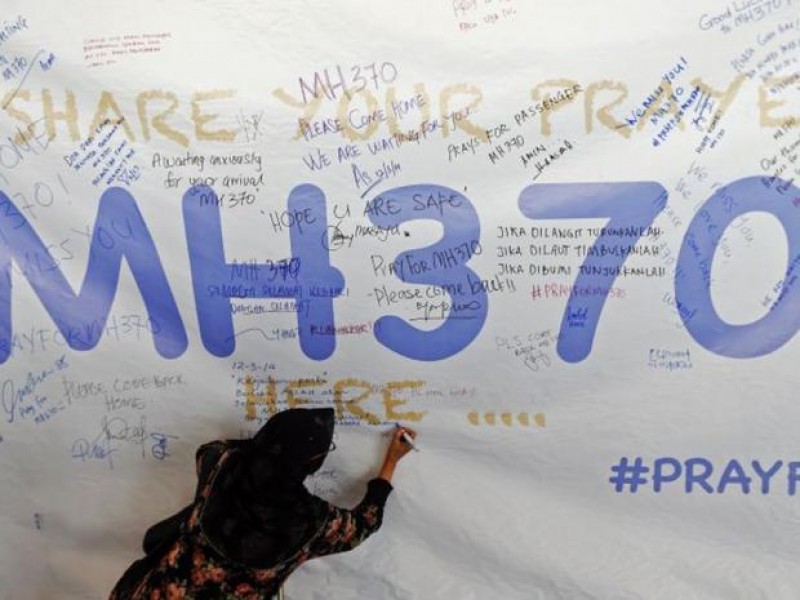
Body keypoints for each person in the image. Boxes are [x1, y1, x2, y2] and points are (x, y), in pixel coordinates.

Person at [109, 407, 417, 599]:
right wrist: (391, 460)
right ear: (312, 462)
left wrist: (264, 450)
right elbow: (365, 522)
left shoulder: (220, 463)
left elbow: (208, 448)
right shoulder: (313, 522)